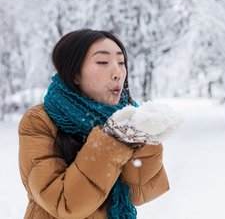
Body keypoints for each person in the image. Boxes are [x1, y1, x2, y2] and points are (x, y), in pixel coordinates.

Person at [18, 29, 169, 219]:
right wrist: (110, 141)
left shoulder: (127, 119)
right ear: (75, 74)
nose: (117, 73)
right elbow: (66, 204)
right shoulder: (39, 121)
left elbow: (140, 192)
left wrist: (145, 136)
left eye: (121, 63)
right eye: (102, 62)